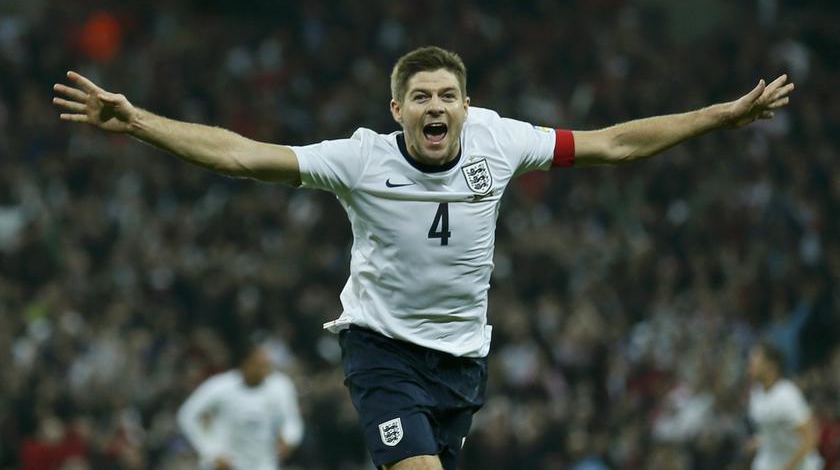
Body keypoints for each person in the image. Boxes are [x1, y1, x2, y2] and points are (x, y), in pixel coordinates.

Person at [53, 46, 794, 470]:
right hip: (381, 351)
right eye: (420, 96)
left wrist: (722, 115)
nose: (435, 106)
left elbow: (613, 143)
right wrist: (140, 122)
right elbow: (244, 156)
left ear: (466, 107)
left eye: (447, 94)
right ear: (397, 111)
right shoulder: (359, 158)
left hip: (462, 361)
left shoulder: (502, 141)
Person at [176, 335, 303, 470]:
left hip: (263, 464)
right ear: (245, 363)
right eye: (258, 363)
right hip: (227, 464)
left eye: (266, 363)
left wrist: (289, 440)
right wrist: (210, 452)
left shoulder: (280, 386)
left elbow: (291, 419)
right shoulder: (220, 386)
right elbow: (187, 415)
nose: (264, 368)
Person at [746, 341, 824, 470]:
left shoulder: (787, 395)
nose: (750, 364)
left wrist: (787, 468)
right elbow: (773, 430)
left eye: (756, 358)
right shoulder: (756, 393)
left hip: (800, 465)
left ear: (771, 366)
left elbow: (811, 438)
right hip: (770, 460)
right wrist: (759, 441)